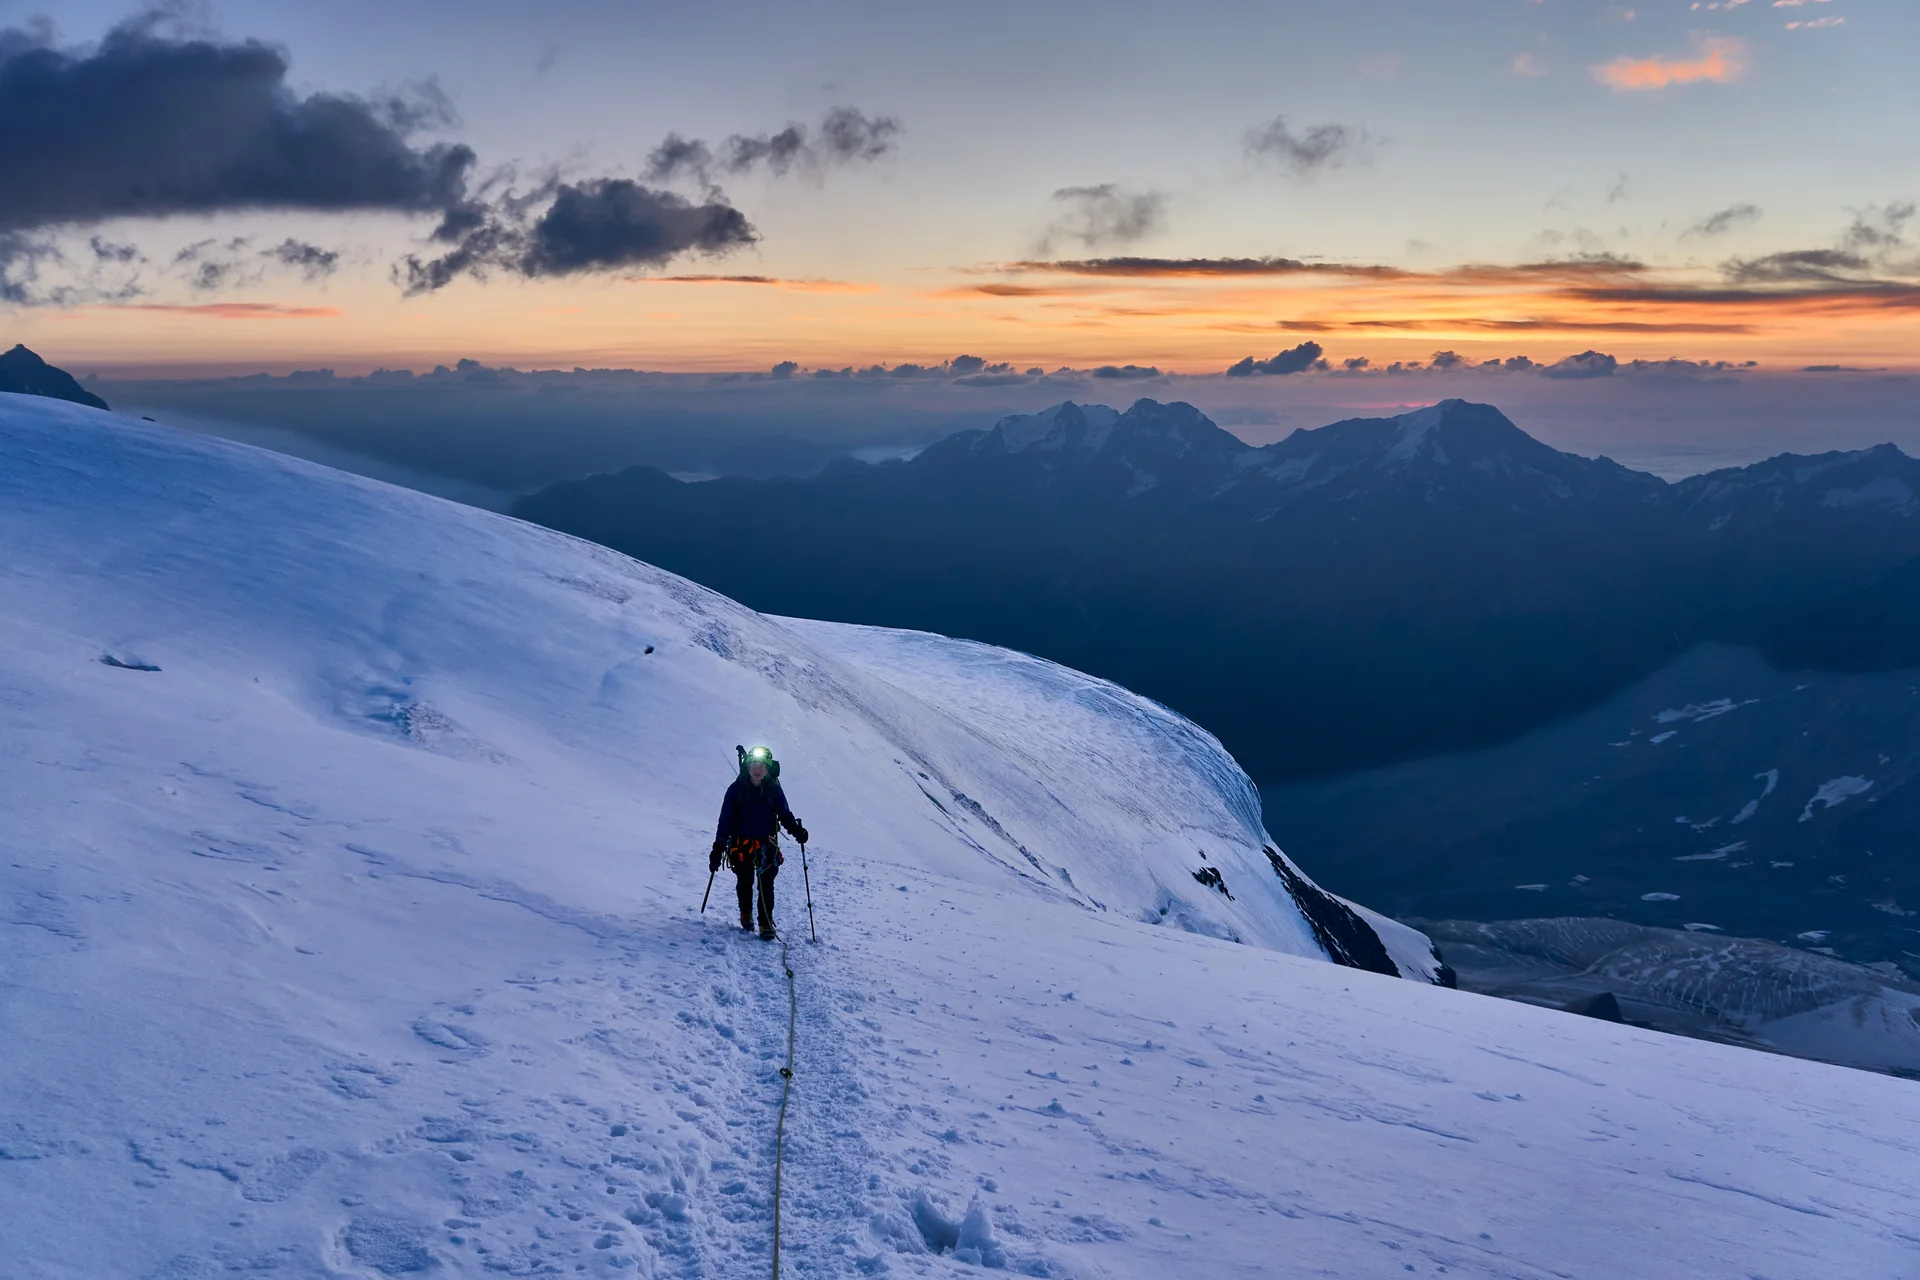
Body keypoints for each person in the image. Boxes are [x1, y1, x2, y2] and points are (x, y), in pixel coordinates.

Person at [711, 745, 807, 939]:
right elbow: (726, 819)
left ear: (767, 768)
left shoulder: (773, 789)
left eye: (761, 765)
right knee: (745, 881)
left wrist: (796, 830)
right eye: (754, 764)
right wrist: (718, 846)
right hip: (741, 844)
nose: (757, 769)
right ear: (748, 766)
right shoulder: (735, 790)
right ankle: (746, 914)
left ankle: (765, 922)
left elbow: (784, 814)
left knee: (766, 883)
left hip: (765, 845)